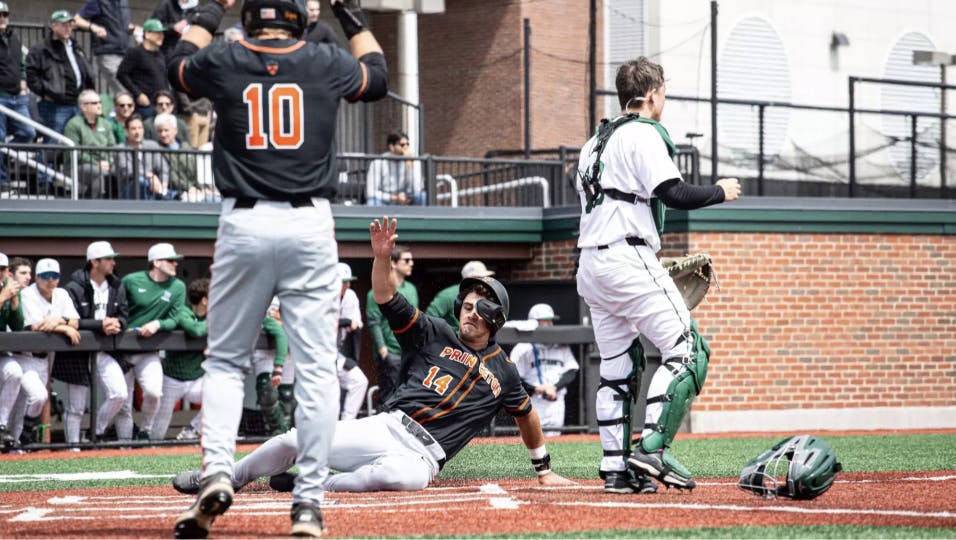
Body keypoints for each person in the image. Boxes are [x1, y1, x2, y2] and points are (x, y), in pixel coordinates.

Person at [165, 0, 388, 536]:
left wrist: (212, 9)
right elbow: (377, 77)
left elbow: (177, 63)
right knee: (315, 368)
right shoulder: (321, 58)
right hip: (309, 221)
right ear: (300, 21)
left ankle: (218, 468)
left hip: (243, 219)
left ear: (248, 21)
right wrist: (349, 13)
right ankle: (308, 502)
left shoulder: (226, 56)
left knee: (223, 361)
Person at [172, 216, 573, 496]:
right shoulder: (438, 333)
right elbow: (386, 297)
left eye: (478, 307)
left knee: (401, 477)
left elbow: (527, 415)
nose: (469, 311)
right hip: (388, 426)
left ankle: (314, 484)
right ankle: (226, 477)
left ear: (496, 317)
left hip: (423, 456)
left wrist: (545, 470)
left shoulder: (504, 371)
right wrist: (382, 258)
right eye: (466, 305)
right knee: (295, 438)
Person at [574, 56, 741, 494]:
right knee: (688, 350)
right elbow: (675, 193)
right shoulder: (642, 133)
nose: (664, 98)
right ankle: (651, 447)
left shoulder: (594, 141)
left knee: (617, 368)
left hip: (592, 265)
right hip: (626, 258)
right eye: (663, 91)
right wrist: (721, 191)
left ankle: (615, 469)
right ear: (652, 94)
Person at [54, 241, 128, 449]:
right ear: (95, 262)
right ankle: (73, 449)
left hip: (104, 349)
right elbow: (71, 319)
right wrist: (100, 324)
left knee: (119, 393)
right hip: (78, 350)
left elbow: (124, 315)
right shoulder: (74, 287)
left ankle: (95, 431)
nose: (113, 263)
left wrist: (118, 323)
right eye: (109, 259)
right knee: (76, 407)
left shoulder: (116, 285)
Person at [120, 242, 186, 441]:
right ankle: (123, 445)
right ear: (156, 262)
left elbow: (175, 319)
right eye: (171, 261)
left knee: (154, 392)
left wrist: (158, 323)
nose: (175, 264)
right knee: (122, 400)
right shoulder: (131, 280)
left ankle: (145, 431)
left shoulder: (178, 286)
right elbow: (118, 308)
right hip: (122, 349)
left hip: (149, 349)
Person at [15, 258, 80, 446]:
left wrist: (58, 321)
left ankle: (20, 443)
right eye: (45, 276)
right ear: (37, 278)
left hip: (44, 359)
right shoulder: (27, 294)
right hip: (22, 356)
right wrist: (64, 327)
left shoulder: (61, 293)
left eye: (55, 276)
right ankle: (21, 438)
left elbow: (75, 321)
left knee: (30, 402)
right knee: (36, 397)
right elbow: (36, 325)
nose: (50, 280)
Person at [509, 303, 579, 437]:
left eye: (551, 321)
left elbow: (571, 371)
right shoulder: (522, 347)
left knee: (556, 443)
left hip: (556, 401)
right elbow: (513, 379)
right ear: (534, 323)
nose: (550, 324)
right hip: (532, 401)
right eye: (546, 321)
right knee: (532, 441)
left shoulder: (561, 345)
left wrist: (555, 387)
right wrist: (535, 389)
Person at [151, 278, 208, 441]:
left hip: (196, 378)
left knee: (219, 395)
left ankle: (192, 429)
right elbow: (195, 330)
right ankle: (150, 448)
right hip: (172, 379)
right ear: (204, 300)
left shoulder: (212, 315)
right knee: (159, 426)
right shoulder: (182, 311)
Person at [25, 10, 96, 136]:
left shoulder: (75, 47)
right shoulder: (41, 49)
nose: (68, 28)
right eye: (63, 25)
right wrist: (45, 92)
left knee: (76, 139)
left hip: (77, 102)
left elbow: (86, 69)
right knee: (52, 141)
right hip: (54, 105)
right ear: (54, 26)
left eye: (70, 25)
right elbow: (31, 75)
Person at [365, 244, 417, 404]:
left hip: (409, 351)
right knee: (389, 398)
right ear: (393, 263)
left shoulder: (411, 289)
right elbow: (374, 322)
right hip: (391, 353)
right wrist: (383, 351)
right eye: (407, 260)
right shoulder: (378, 290)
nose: (411, 263)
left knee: (407, 397)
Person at [0, 3, 38, 191]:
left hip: (17, 97)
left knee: (28, 133)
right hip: (1, 98)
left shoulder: (13, 37)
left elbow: (21, 64)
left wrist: (23, 80)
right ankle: (2, 180)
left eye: (5, 14)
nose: (2, 17)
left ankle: (4, 157)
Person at [73, 0, 139, 95]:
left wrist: (132, 28)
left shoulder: (124, 2)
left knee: (136, 89)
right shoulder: (98, 1)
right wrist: (93, 27)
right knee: (127, 92)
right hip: (108, 52)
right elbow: (76, 19)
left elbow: (121, 23)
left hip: (126, 52)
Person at [63, 89, 117, 198]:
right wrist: (97, 163)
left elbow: (112, 147)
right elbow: (75, 152)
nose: (99, 105)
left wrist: (108, 161)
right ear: (83, 107)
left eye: (100, 102)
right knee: (98, 172)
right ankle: (96, 204)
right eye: (95, 103)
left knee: (123, 171)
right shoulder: (73, 124)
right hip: (77, 166)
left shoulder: (105, 124)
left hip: (105, 164)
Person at [117, 19, 169, 121]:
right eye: (157, 33)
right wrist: (138, 94)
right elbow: (121, 74)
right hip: (146, 105)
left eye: (162, 33)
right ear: (147, 34)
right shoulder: (136, 52)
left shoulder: (160, 54)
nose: (161, 36)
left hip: (161, 104)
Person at [252, 297, 290, 436]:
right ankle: (279, 432)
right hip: (263, 350)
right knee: (267, 391)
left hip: (288, 351)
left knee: (287, 397)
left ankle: (286, 434)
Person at [114, 114, 173, 200]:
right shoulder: (121, 149)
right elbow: (128, 170)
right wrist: (150, 176)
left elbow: (163, 168)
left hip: (154, 188)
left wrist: (163, 185)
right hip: (129, 191)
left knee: (174, 195)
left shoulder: (152, 146)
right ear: (126, 131)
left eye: (140, 128)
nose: (137, 132)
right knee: (141, 182)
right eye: (133, 129)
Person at [335, 262, 367, 421]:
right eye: (342, 281)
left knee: (360, 381)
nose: (346, 284)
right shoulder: (321, 297)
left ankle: (347, 423)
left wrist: (353, 358)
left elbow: (356, 327)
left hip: (338, 352)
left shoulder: (350, 296)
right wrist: (345, 321)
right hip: (318, 353)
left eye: (347, 281)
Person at [426, 260, 495, 332]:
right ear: (471, 279)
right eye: (482, 278)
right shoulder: (448, 295)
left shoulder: (487, 295)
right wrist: (446, 336)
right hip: (454, 341)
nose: (486, 282)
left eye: (486, 278)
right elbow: (429, 319)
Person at [0, 252, 24, 449]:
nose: (0, 274)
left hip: (1, 351)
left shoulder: (8, 288)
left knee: (14, 372)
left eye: (2, 269)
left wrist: (14, 302)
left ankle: (1, 425)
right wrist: (2, 297)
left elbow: (17, 327)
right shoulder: (3, 292)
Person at [365, 131, 425, 206]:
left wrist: (411, 167)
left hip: (405, 197)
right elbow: (370, 192)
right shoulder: (378, 162)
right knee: (372, 203)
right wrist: (394, 197)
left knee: (422, 196)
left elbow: (417, 189)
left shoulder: (412, 160)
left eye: (407, 144)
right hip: (385, 199)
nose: (406, 147)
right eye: (402, 145)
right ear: (391, 147)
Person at [153, 111, 197, 198]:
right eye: (160, 131)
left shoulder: (186, 147)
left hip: (193, 190)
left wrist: (200, 188)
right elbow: (171, 176)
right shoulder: (157, 149)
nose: (163, 134)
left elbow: (195, 172)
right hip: (173, 192)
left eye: (166, 130)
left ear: (175, 130)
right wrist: (189, 188)